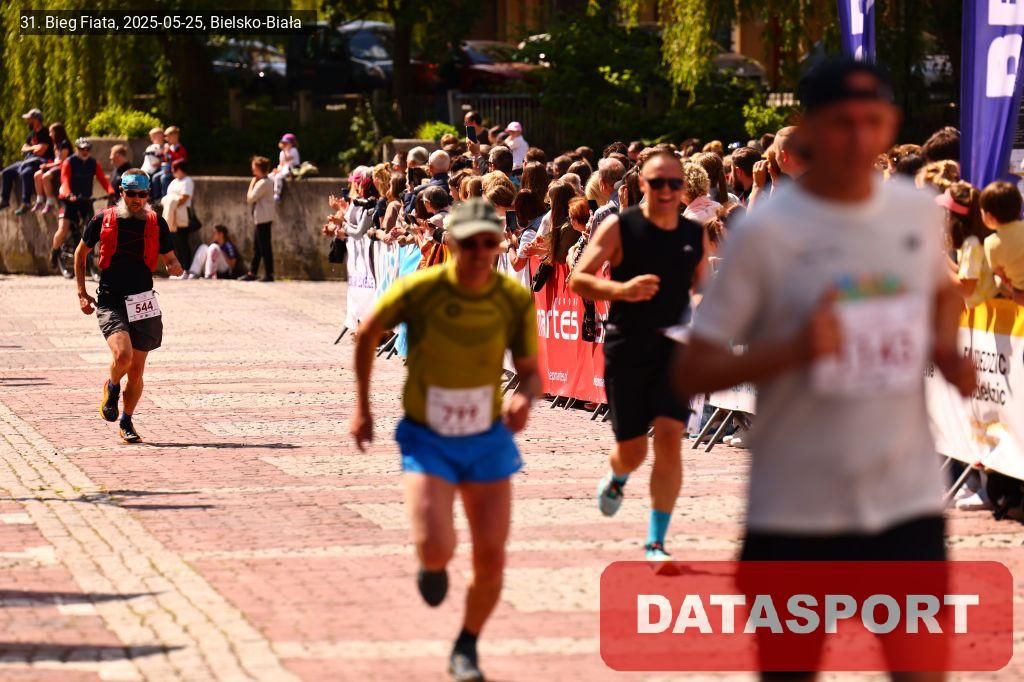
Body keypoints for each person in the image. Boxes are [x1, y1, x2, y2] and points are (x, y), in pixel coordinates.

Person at [673, 59, 975, 678]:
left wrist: (946, 351)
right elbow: (691, 371)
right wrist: (798, 349)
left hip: (904, 498)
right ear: (810, 128)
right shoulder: (766, 230)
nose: (858, 137)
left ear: (890, 126)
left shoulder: (913, 213)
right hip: (795, 503)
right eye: (842, 122)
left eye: (873, 121)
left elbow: (941, 291)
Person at [350, 198, 540, 682]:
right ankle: (432, 565)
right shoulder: (421, 289)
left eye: (488, 243)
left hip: (487, 439)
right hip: (428, 437)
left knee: (491, 556)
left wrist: (525, 399)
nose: (479, 253)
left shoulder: (512, 298)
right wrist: (363, 408)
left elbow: (532, 372)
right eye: (469, 243)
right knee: (436, 547)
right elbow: (367, 334)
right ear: (451, 244)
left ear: (498, 245)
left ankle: (467, 645)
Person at [569, 149, 710, 567]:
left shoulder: (693, 233)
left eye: (674, 183)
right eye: (657, 182)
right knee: (633, 452)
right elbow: (579, 279)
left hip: (675, 350)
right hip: (628, 345)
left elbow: (704, 285)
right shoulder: (620, 227)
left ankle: (656, 541)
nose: (666, 191)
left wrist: (698, 306)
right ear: (642, 185)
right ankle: (617, 476)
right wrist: (623, 291)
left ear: (683, 187)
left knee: (669, 438)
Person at [75, 170, 184, 443]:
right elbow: (80, 253)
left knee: (136, 371)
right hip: (111, 299)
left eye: (142, 194)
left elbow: (169, 257)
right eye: (131, 194)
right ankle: (112, 387)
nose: (136, 199)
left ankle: (126, 421)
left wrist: (174, 266)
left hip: (143, 300)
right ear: (121, 192)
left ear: (148, 195)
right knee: (122, 356)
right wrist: (82, 293)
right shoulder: (103, 219)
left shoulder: (156, 222)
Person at [52, 138, 116, 269]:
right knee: (63, 229)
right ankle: (54, 252)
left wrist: (111, 191)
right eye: (82, 149)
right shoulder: (69, 162)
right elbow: (64, 180)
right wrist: (69, 194)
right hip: (69, 200)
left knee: (92, 228)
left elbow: (102, 179)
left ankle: (90, 259)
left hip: (85, 200)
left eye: (87, 149)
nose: (85, 151)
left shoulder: (93, 163)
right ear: (77, 149)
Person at [937, 182, 997, 309]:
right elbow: (963, 274)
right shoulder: (971, 241)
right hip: (981, 312)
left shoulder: (972, 244)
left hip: (983, 314)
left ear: (954, 217)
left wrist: (938, 266)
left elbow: (966, 290)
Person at [1, 108, 52, 214]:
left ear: (36, 120)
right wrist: (34, 147)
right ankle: (4, 200)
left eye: (29, 119)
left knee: (26, 173)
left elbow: (41, 151)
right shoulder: (31, 134)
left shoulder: (45, 132)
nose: (27, 121)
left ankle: (26, 202)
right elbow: (23, 149)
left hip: (40, 161)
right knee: (6, 172)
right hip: (27, 160)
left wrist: (31, 148)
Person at [981, 180, 1024, 300]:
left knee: (999, 282)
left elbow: (1001, 275)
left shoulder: (990, 243)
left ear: (989, 217)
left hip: (1020, 292)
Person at [243, 156, 276, 282]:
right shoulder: (266, 181)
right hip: (262, 218)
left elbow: (250, 198)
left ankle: (269, 274)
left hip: (263, 219)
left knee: (264, 247)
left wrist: (252, 183)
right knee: (258, 247)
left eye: (254, 167)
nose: (252, 170)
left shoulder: (263, 183)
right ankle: (253, 272)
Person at [161, 160, 195, 269]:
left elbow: (184, 198)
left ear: (180, 169)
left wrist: (173, 203)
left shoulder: (188, 181)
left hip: (182, 215)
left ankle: (186, 268)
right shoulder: (174, 182)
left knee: (183, 242)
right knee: (175, 244)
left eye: (174, 169)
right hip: (172, 216)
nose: (172, 171)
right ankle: (179, 268)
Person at [33, 122, 71, 214]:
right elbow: (56, 160)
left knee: (46, 177)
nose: (50, 134)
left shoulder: (65, 144)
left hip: (64, 167)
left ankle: (50, 201)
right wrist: (47, 165)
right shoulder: (55, 144)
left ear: (57, 132)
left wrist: (48, 166)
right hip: (56, 166)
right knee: (37, 175)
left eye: (51, 132)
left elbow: (62, 161)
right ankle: (40, 200)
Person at [270, 133, 300, 201]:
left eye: (286, 143)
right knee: (270, 176)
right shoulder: (282, 153)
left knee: (278, 177)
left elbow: (287, 159)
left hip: (292, 169)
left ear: (292, 143)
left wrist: (285, 150)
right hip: (283, 169)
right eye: (283, 143)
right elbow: (281, 164)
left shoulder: (294, 150)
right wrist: (277, 170)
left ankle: (277, 194)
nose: (284, 144)